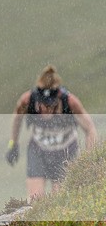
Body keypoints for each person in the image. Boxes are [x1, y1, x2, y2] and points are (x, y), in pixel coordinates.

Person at [6, 64, 97, 201]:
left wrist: (89, 160)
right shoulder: (28, 100)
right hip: (39, 150)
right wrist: (13, 144)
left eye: (51, 105)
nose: (47, 109)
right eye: (43, 104)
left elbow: (90, 129)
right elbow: (17, 119)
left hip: (66, 152)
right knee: (35, 200)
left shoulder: (70, 102)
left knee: (61, 200)